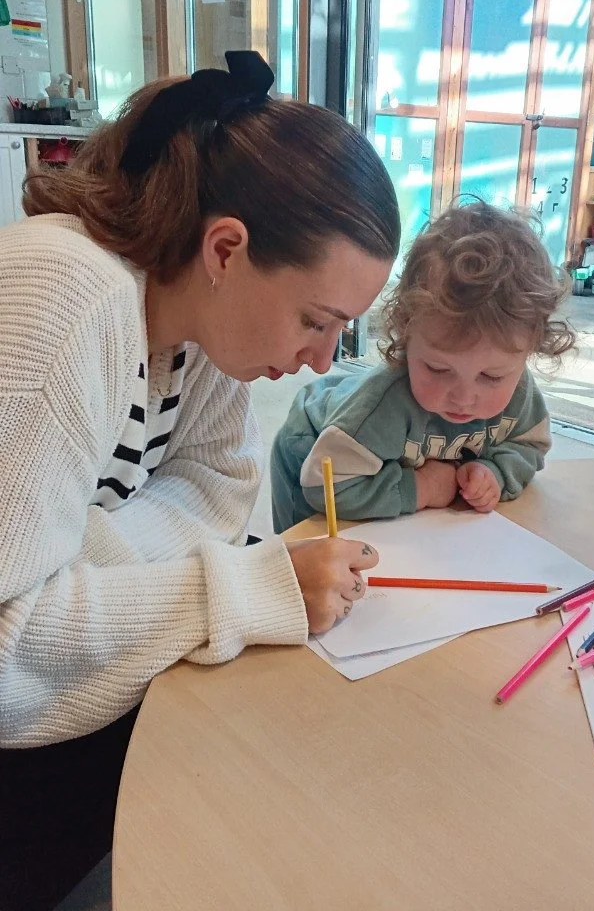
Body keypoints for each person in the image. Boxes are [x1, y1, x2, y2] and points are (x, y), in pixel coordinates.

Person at [0, 50, 400, 911]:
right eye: (315, 320)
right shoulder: (68, 298)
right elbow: (6, 651)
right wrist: (247, 590)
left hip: (77, 701)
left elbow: (218, 491)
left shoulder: (197, 316)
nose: (320, 361)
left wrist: (82, 561)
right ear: (228, 247)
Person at [271, 200, 576, 533]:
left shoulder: (520, 394)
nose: (463, 398)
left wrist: (497, 473)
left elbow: (528, 445)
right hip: (319, 451)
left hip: (378, 464)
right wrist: (424, 487)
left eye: (491, 376)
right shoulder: (383, 405)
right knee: (307, 566)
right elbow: (324, 487)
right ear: (406, 335)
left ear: (527, 352)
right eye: (438, 369)